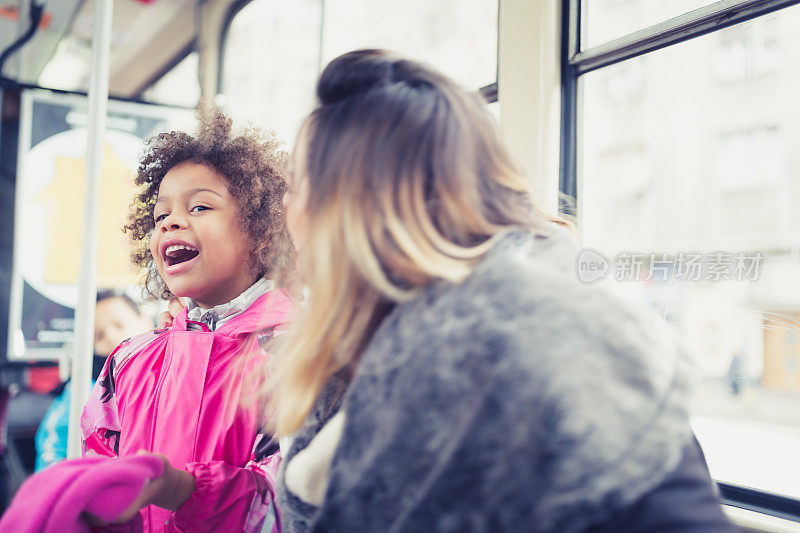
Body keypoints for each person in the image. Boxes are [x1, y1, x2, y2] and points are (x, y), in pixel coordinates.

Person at [144, 50, 737, 532]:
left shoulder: (483, 364)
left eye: (300, 187)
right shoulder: (384, 350)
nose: (288, 214)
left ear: (347, 212)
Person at [79, 109, 294, 532]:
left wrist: (184, 490)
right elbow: (96, 466)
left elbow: (294, 498)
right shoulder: (127, 361)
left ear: (261, 230)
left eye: (199, 206)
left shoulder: (298, 352)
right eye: (160, 217)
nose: (172, 222)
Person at [34, 291, 154, 471]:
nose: (111, 337)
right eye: (99, 336)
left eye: (119, 325)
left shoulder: (169, 370)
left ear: (146, 321)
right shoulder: (84, 388)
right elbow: (52, 446)